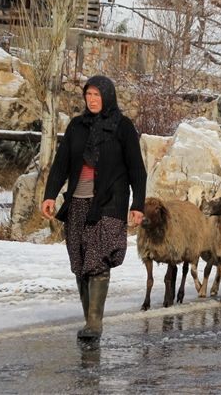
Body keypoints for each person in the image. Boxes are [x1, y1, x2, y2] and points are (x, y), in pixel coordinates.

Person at [40, 75, 146, 342]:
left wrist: (138, 205)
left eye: (97, 95)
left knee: (98, 259)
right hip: (77, 202)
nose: (92, 100)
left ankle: (94, 324)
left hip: (110, 202)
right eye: (89, 95)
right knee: (80, 261)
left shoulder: (122, 127)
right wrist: (50, 195)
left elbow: (137, 169)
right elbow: (61, 164)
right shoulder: (77, 126)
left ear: (107, 96)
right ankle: (89, 320)